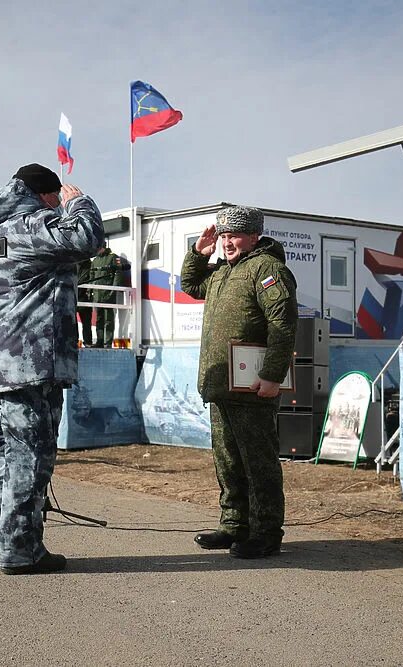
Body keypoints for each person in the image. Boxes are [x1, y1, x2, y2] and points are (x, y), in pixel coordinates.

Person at [0, 163, 103, 575]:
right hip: (32, 364)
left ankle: (3, 541)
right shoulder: (34, 224)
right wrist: (77, 201)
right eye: (55, 197)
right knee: (30, 457)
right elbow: (87, 238)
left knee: (5, 457)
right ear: (46, 195)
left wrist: (3, 342)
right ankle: (22, 550)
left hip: (0, 365)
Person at [181, 206, 298, 559]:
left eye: (234, 235)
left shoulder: (268, 269)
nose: (227, 242)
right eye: (223, 236)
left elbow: (283, 324)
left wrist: (272, 376)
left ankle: (265, 533)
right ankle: (235, 525)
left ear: (254, 236)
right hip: (222, 387)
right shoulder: (222, 273)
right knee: (228, 460)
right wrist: (197, 254)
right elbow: (190, 285)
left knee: (258, 462)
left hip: (253, 387)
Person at [87, 245, 124, 347]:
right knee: (99, 319)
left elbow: (118, 273)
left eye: (98, 248)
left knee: (108, 319)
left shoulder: (113, 257)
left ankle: (107, 342)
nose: (97, 250)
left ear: (103, 247)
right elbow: (91, 275)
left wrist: (114, 289)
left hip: (108, 293)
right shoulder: (95, 260)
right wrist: (89, 290)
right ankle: (99, 342)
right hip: (97, 295)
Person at [76, 258, 94, 347]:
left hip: (83, 297)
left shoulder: (86, 265)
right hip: (79, 297)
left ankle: (87, 342)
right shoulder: (78, 265)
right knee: (83, 322)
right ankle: (87, 342)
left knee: (85, 322)